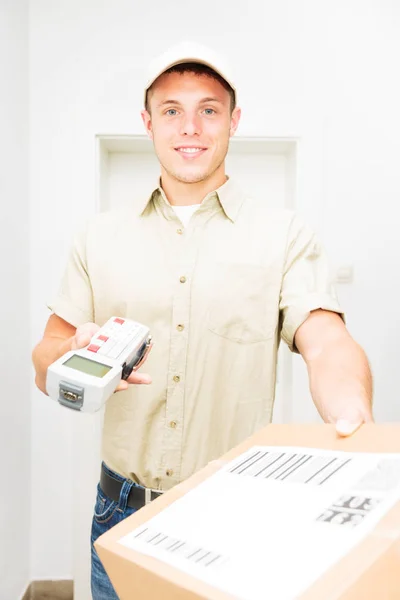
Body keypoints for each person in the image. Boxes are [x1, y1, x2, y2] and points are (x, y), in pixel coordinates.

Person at [32, 41, 373, 599]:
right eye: (171, 110)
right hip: (123, 513)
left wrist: (354, 417)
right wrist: (71, 357)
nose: (190, 127)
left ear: (233, 121)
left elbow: (326, 339)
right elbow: (44, 362)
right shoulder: (98, 237)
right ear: (148, 122)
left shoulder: (284, 234)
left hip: (235, 507)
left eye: (208, 110)